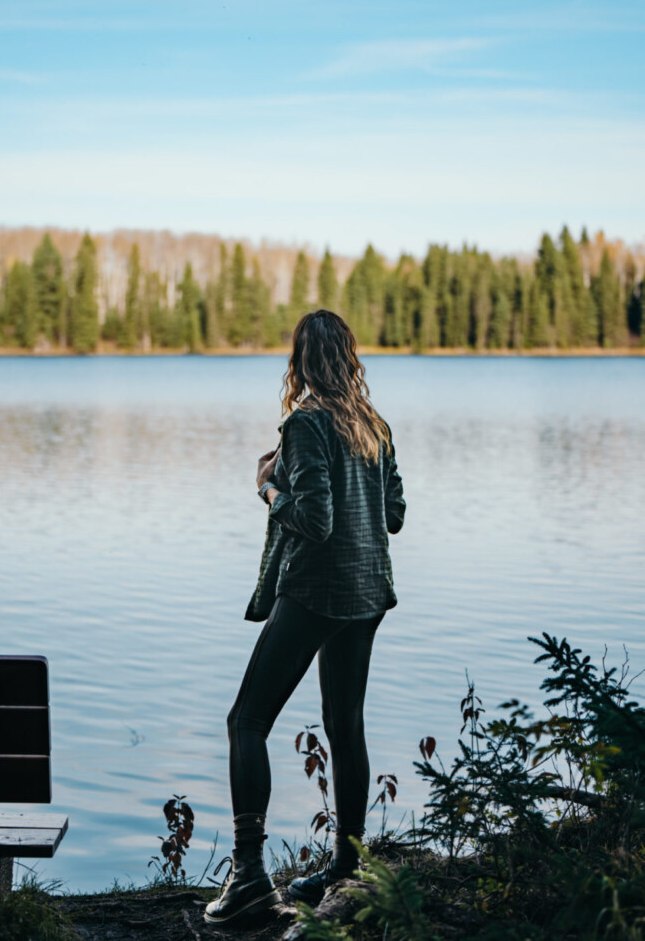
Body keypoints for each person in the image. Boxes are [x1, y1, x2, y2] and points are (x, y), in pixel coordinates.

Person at [204, 309, 406, 926]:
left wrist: (268, 488)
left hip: (317, 591)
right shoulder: (375, 427)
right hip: (369, 593)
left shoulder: (306, 423)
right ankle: (348, 869)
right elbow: (393, 514)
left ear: (300, 360)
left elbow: (315, 523)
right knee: (345, 728)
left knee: (247, 722)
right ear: (349, 357)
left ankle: (248, 881)